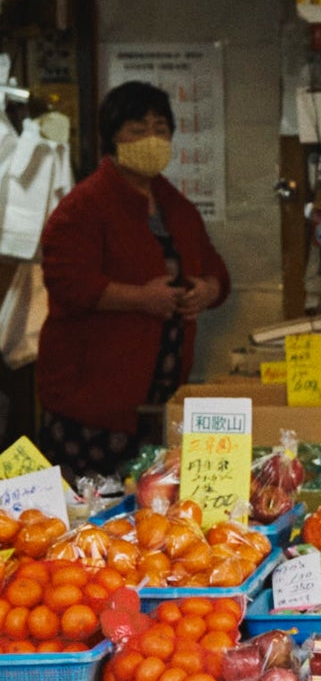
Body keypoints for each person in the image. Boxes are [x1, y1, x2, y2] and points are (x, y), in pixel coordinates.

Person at [36, 81, 229, 479]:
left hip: (160, 399)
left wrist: (207, 291)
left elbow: (218, 273)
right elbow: (69, 283)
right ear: (112, 137)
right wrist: (140, 299)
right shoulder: (84, 206)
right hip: (93, 401)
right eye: (138, 129)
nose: (152, 138)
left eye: (160, 127)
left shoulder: (176, 206)